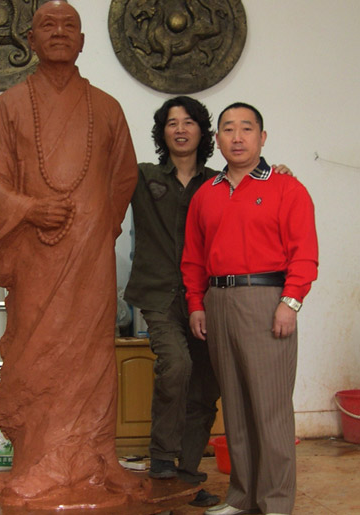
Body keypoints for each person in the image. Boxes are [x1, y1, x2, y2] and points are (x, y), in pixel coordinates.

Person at [0, 0, 150, 508]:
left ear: (82, 41)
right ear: (30, 40)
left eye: (69, 25)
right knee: (37, 353)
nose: (58, 32)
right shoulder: (9, 105)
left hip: (90, 258)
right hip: (36, 255)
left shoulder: (107, 108)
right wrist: (30, 209)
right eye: (47, 25)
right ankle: (39, 462)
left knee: (92, 355)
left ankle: (96, 459)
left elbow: (124, 176)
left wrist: (96, 227)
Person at [181, 102, 318, 515]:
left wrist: (290, 302)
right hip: (218, 301)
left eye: (246, 128)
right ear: (217, 139)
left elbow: (305, 253)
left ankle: (275, 503)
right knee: (236, 407)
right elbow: (193, 258)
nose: (237, 137)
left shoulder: (287, 188)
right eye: (228, 129)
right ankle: (242, 497)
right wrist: (196, 304)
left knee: (270, 409)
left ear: (262, 137)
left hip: (266, 300)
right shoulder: (206, 194)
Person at [124, 96, 221, 508]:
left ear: (202, 131)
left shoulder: (219, 183)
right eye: (171, 123)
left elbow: (260, 198)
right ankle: (163, 460)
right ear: (162, 133)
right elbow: (98, 177)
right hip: (159, 293)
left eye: (188, 122)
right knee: (176, 365)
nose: (180, 129)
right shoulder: (142, 176)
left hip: (208, 297)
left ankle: (188, 476)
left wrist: (278, 173)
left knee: (205, 387)